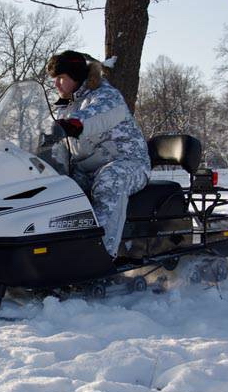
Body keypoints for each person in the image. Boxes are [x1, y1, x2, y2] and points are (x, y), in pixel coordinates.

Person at [47, 50, 151, 258]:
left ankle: (101, 257)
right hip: (87, 167)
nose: (56, 84)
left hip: (128, 162)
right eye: (54, 79)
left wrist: (74, 124)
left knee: (110, 180)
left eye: (61, 78)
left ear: (76, 77)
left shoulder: (106, 95)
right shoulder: (66, 104)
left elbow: (96, 117)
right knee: (55, 187)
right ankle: (53, 251)